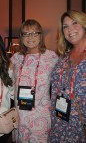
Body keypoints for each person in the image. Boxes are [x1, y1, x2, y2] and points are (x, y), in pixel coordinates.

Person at [10, 19, 58, 142]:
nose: (30, 37)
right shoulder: (16, 58)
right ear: (21, 36)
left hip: (41, 115)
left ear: (40, 35)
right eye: (26, 33)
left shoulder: (51, 57)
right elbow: (5, 80)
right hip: (20, 114)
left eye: (34, 33)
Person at [49, 10, 86, 142]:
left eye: (75, 23)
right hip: (59, 123)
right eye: (65, 26)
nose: (70, 29)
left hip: (80, 127)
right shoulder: (63, 57)